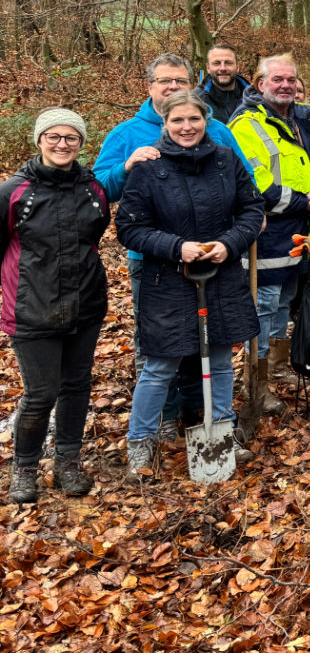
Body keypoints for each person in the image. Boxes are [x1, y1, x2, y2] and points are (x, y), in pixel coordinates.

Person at [94, 54, 251, 425]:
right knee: (161, 344)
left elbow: (246, 189)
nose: (172, 88)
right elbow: (99, 190)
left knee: (209, 341)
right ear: (150, 87)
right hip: (152, 261)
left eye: (180, 81)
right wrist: (126, 166)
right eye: (164, 81)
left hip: (214, 259)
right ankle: (163, 418)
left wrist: (232, 239)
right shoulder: (126, 134)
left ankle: (200, 412)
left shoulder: (219, 135)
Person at [117, 91, 264, 477]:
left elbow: (252, 209)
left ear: (206, 121)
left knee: (219, 359)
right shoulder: (148, 168)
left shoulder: (225, 160)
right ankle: (140, 442)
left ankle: (223, 431)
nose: (187, 127)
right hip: (169, 281)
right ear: (164, 123)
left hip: (221, 276)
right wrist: (175, 247)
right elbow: (129, 228)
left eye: (194, 120)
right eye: (177, 120)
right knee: (160, 365)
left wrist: (229, 244)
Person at [2, 109, 109, 503]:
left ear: (81, 144)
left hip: (85, 302)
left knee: (77, 386)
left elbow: (95, 237)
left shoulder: (92, 190)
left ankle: (68, 461)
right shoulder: (13, 191)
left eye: (71, 138)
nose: (62, 144)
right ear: (39, 140)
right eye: (54, 136)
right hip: (32, 306)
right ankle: (25, 468)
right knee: (40, 392)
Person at [228, 53, 310, 397]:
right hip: (268, 230)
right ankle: (256, 379)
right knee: (263, 303)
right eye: (277, 79)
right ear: (261, 84)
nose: (286, 85)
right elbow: (252, 181)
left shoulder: (306, 120)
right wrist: (302, 200)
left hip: (303, 229)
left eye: (291, 80)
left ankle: (276, 366)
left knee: (286, 298)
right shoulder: (245, 124)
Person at [197, 44, 251, 124]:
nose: (223, 68)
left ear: (238, 67)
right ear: (208, 68)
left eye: (228, 63)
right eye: (217, 63)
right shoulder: (197, 100)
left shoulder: (255, 98)